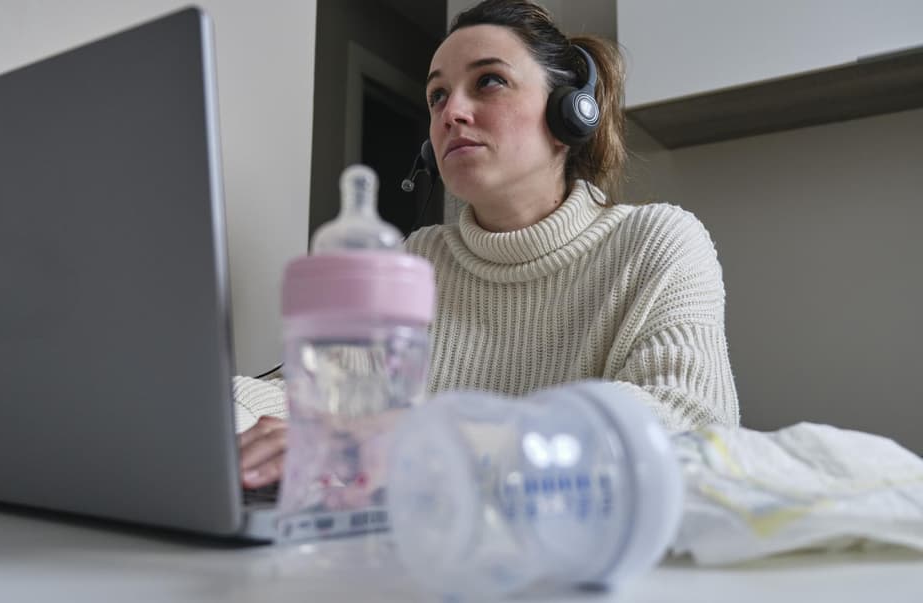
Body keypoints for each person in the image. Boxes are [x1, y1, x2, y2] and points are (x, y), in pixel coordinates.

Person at [236, 0, 739, 489]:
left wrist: (421, 439)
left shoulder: (658, 242)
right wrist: (223, 418)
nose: (451, 112)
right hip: (414, 552)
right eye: (437, 96)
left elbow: (689, 423)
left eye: (489, 81)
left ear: (569, 115)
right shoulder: (416, 260)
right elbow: (309, 395)